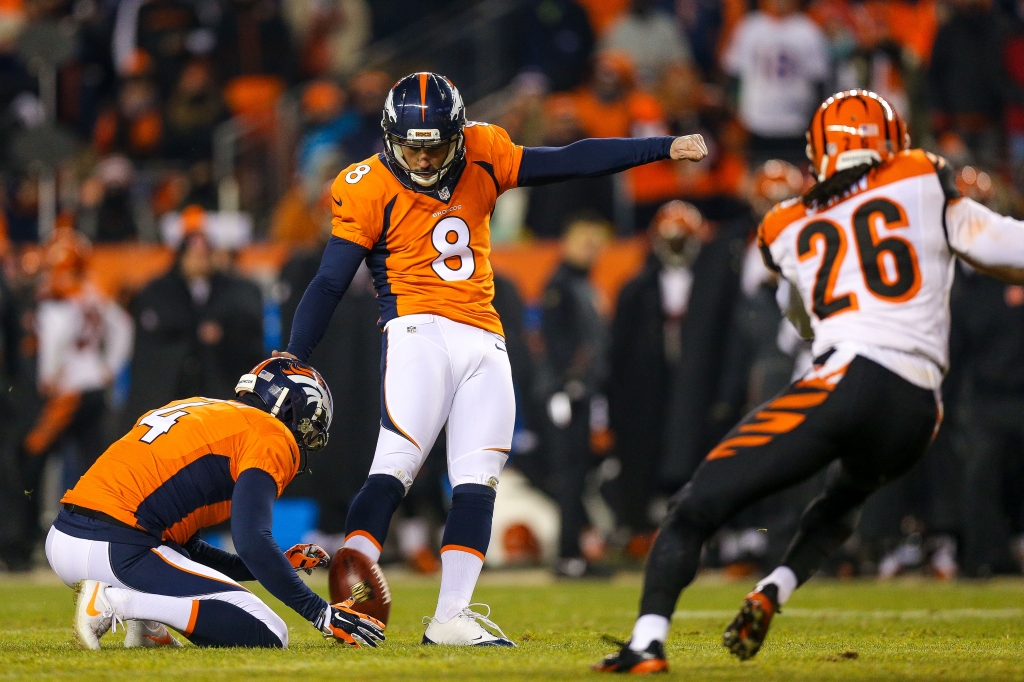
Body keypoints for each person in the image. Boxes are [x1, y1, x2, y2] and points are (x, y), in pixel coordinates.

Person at [594, 89, 1024, 673]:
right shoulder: (923, 176)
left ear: (817, 153)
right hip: (920, 407)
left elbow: (798, 320)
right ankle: (776, 586)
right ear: (892, 141)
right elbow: (1002, 247)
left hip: (852, 376)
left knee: (693, 508)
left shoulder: (786, 223)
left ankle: (647, 642)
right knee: (844, 497)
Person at [278, 71, 708, 646]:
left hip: (485, 335)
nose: (427, 159)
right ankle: (354, 598)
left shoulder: (484, 149)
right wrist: (290, 355)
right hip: (417, 330)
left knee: (478, 481)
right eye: (414, 146)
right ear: (389, 137)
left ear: (457, 134)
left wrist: (661, 147)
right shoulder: (364, 184)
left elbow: (572, 159)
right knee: (397, 463)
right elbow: (330, 282)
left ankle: (451, 615)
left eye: (436, 145)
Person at [45, 357, 385, 650]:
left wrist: (271, 563)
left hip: (67, 537)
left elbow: (185, 549)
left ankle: (146, 624)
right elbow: (251, 539)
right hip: (116, 547)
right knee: (269, 631)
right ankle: (118, 603)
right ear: (292, 409)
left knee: (177, 559)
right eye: (308, 427)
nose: (303, 440)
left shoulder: (199, 408)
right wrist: (321, 613)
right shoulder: (270, 433)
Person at [17, 224, 133, 566]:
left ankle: (28, 539)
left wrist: (46, 378)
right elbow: (122, 326)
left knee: (32, 459)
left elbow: (57, 334)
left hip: (66, 393)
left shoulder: (60, 292)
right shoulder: (92, 291)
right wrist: (107, 366)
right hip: (94, 386)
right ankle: (100, 542)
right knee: (95, 468)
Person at [125, 207, 264, 422]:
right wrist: (193, 333)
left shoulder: (232, 289)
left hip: (215, 393)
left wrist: (223, 332)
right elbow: (152, 349)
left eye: (204, 254)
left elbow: (248, 331)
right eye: (194, 254)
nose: (200, 260)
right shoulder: (158, 292)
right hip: (171, 396)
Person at [539, 214, 611, 578]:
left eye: (596, 244)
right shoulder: (562, 284)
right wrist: (567, 384)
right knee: (569, 476)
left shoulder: (582, 284)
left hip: (583, 393)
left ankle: (577, 551)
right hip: (568, 394)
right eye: (585, 242)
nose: (592, 251)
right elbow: (555, 342)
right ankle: (569, 555)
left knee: (578, 477)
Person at [721, 0, 829, 167]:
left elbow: (819, 83)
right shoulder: (750, 26)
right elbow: (734, 78)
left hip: (797, 124)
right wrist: (733, 118)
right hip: (755, 123)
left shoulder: (808, 29)